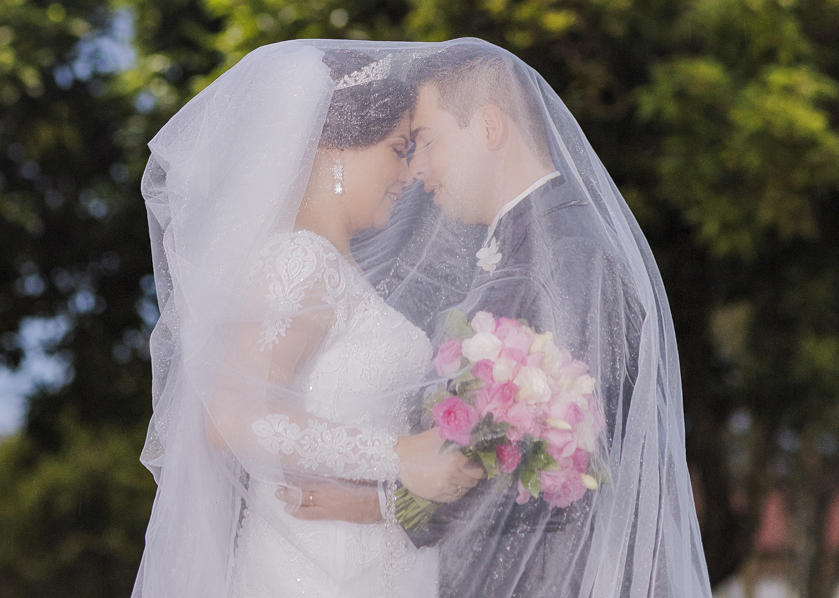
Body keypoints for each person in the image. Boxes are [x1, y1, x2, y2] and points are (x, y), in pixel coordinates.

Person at [285, 40, 712, 598]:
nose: (416, 169)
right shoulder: (530, 247)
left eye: (427, 141)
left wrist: (383, 505)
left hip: (551, 577)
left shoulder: (571, 253)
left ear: (488, 127)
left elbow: (566, 452)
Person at [132, 41, 481, 598]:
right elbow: (230, 419)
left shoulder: (334, 268)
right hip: (319, 570)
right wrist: (400, 454)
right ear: (334, 147)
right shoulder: (300, 261)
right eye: (398, 148)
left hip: (373, 558)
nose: (411, 172)